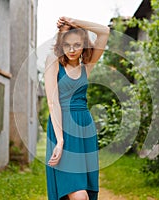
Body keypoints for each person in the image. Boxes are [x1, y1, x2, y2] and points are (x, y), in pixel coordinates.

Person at [44, 16, 110, 200]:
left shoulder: (86, 66)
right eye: (67, 45)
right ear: (60, 45)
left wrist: (76, 22)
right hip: (63, 129)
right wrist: (60, 140)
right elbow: (53, 102)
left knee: (85, 194)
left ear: (84, 45)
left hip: (85, 130)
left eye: (77, 44)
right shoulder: (54, 61)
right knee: (78, 195)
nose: (72, 50)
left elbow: (104, 31)